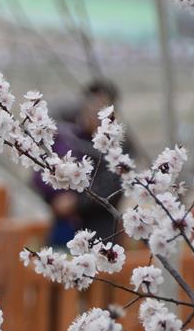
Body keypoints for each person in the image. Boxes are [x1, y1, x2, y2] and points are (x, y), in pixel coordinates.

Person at [33, 80, 134, 246]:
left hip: (101, 229)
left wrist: (75, 202)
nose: (95, 110)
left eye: (102, 106)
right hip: (63, 226)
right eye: (91, 103)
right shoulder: (69, 135)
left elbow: (113, 187)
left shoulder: (121, 145)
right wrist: (55, 200)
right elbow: (40, 173)